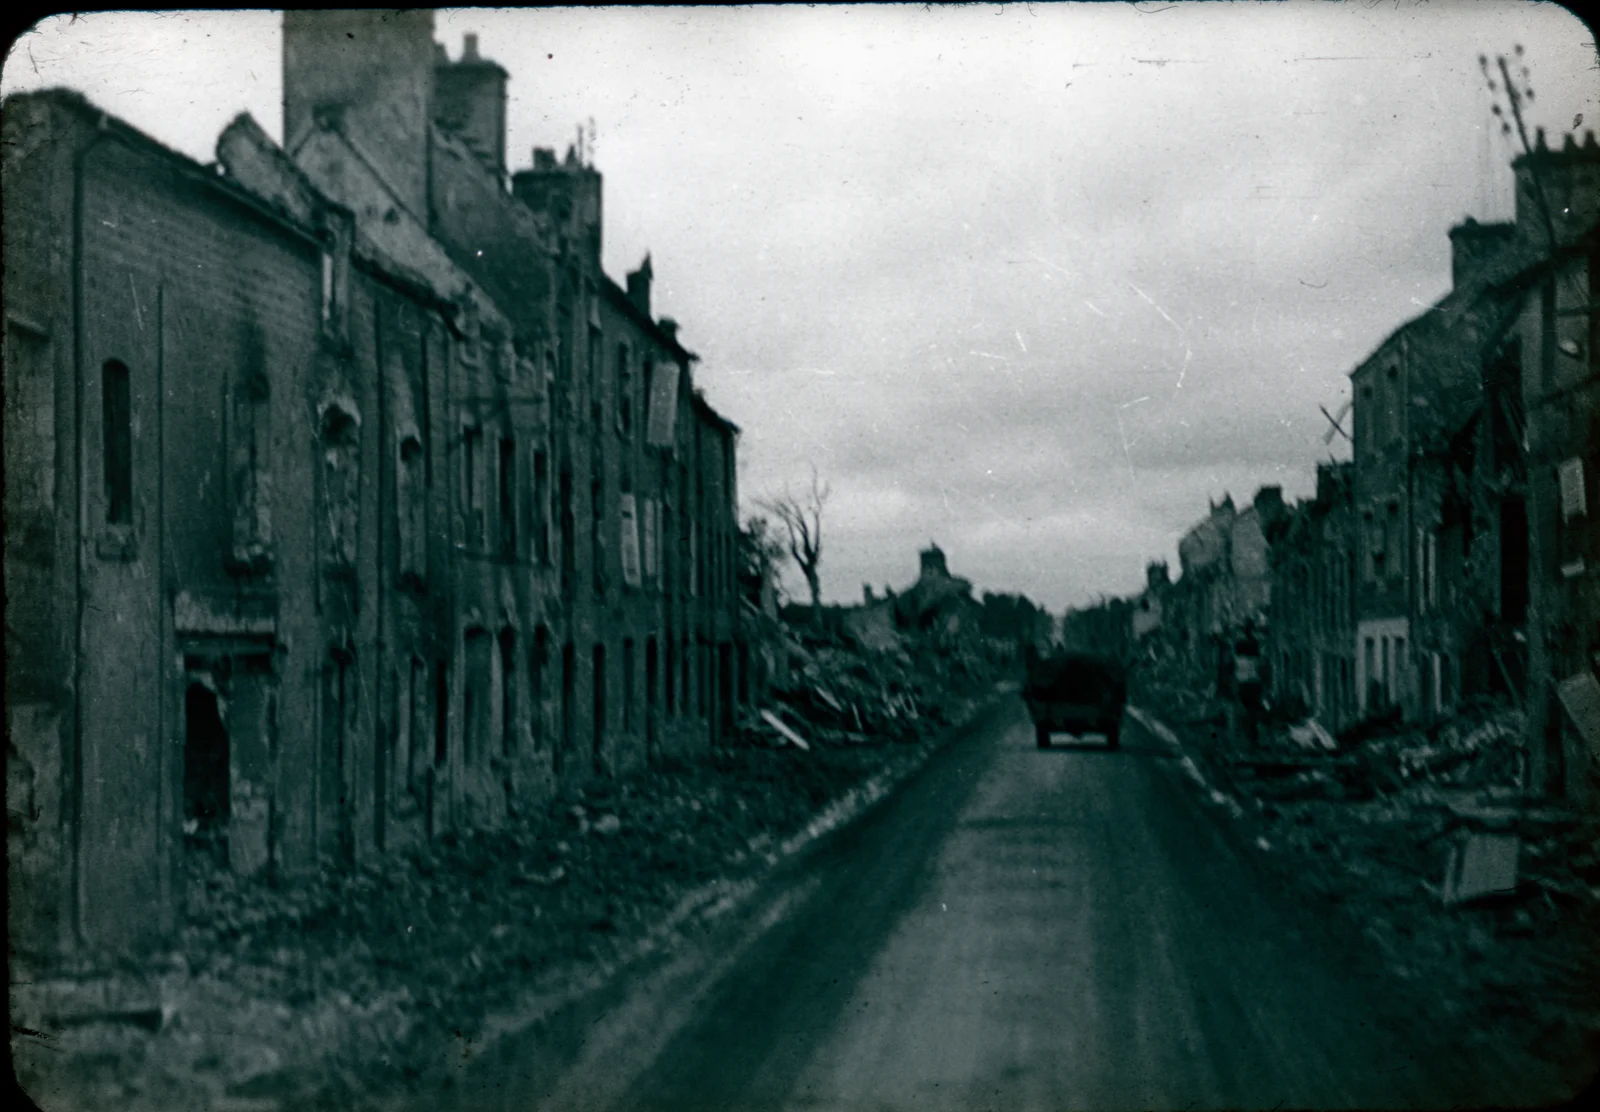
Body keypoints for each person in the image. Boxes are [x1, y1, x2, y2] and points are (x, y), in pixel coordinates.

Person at [1233, 619, 1263, 745]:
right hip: (1253, 682)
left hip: (1244, 681)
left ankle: (1247, 736)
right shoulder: (1255, 644)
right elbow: (1258, 664)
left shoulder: (1240, 644)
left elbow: (1236, 664)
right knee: (1253, 711)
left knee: (1245, 711)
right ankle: (1252, 737)